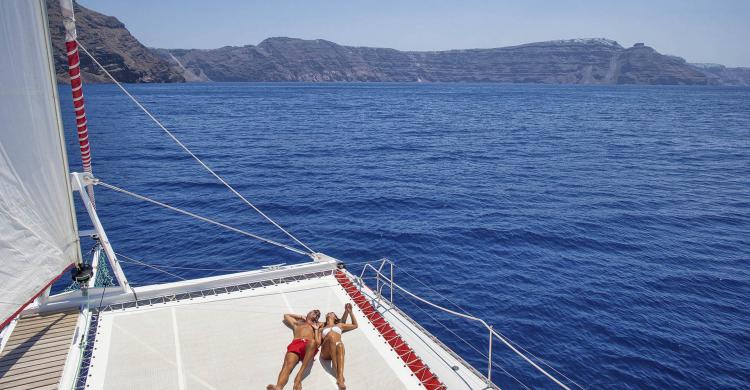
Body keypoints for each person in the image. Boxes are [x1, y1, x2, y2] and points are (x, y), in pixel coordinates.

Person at [267, 309, 322, 390]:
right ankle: (279, 387)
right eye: (314, 312)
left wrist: (316, 329)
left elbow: (317, 343)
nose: (316, 315)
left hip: (308, 345)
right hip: (296, 343)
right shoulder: (297, 323)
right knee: (287, 365)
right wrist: (300, 316)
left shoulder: (317, 326)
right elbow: (286, 316)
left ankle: (298, 377)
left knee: (313, 342)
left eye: (318, 315)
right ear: (308, 313)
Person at [320, 303, 358, 389]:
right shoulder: (321, 327)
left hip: (337, 349)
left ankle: (340, 379)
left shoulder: (340, 325)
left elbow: (355, 325)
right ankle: (335, 366)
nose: (330, 313)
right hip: (325, 352)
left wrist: (350, 312)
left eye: (332, 313)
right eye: (329, 313)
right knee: (332, 338)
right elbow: (319, 342)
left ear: (335, 318)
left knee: (340, 345)